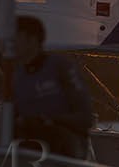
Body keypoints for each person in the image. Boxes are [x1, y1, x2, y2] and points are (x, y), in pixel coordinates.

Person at [10, 15, 94, 158]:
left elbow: (85, 119)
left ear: (32, 40)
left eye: (15, 38)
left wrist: (50, 119)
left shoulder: (61, 68)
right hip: (30, 145)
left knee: (48, 135)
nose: (10, 44)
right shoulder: (16, 75)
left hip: (65, 146)